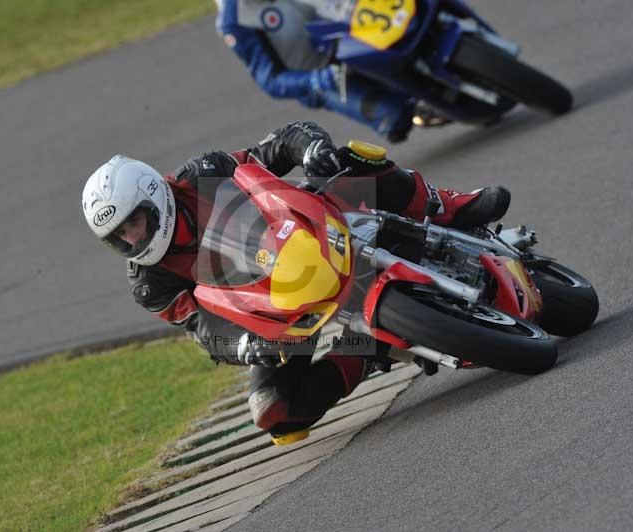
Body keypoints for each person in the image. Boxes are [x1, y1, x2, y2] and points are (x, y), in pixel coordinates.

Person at [81, 121, 509, 444]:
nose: (131, 238)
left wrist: (312, 149)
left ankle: (450, 205)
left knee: (350, 161)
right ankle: (367, 351)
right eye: (118, 236)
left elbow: (279, 144)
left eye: (134, 222)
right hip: (277, 315)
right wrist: (244, 346)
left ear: (152, 195)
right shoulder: (148, 282)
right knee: (275, 413)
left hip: (302, 233)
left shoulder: (201, 175)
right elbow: (202, 329)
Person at [214, 0, 419, 143]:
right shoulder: (234, 22)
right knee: (393, 116)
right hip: (320, 74)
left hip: (349, 30)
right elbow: (270, 80)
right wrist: (313, 80)